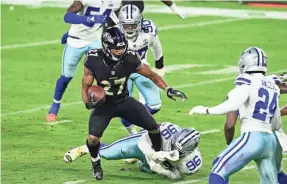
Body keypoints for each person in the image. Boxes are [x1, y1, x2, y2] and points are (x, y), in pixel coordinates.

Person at [82, 27, 187, 180]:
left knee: (153, 128)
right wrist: (87, 102)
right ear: (106, 47)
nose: (120, 50)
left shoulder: (130, 57)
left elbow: (151, 75)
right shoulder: (93, 59)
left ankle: (158, 157)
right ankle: (95, 162)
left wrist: (168, 89)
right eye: (116, 48)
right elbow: (85, 86)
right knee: (92, 139)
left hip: (124, 100)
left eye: (122, 46)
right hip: (104, 105)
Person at [189, 47, 282, 184]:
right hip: (269, 141)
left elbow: (233, 105)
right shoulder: (274, 86)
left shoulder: (247, 80)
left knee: (217, 172)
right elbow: (276, 124)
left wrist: (207, 110)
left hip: (252, 137)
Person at [46, 0, 121, 122]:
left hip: (95, 41)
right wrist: (88, 20)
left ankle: (105, 107)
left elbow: (113, 17)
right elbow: (68, 16)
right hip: (76, 40)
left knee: (103, 74)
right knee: (66, 76)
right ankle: (55, 104)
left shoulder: (116, 2)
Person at [63, 122, 202, 179]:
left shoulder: (192, 162)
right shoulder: (166, 130)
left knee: (146, 169)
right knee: (107, 153)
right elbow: (143, 142)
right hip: (142, 145)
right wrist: (152, 154)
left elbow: (177, 175)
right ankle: (85, 148)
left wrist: (163, 170)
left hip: (156, 162)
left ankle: (140, 160)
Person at [115, 5, 165, 135]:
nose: (130, 28)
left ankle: (138, 120)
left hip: (142, 69)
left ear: (139, 22)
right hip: (122, 74)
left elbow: (156, 46)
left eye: (133, 25)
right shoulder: (113, 35)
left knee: (155, 105)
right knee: (123, 107)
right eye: (126, 25)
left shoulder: (148, 30)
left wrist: (160, 65)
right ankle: (133, 134)